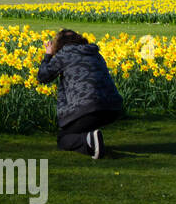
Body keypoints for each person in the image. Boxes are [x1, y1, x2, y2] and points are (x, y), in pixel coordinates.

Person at [37, 29, 124, 159]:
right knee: (86, 123)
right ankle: (92, 138)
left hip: (88, 108)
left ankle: (88, 140)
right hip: (113, 108)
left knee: (63, 139)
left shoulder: (63, 55)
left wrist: (48, 55)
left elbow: (42, 76)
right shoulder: (95, 54)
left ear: (59, 44)